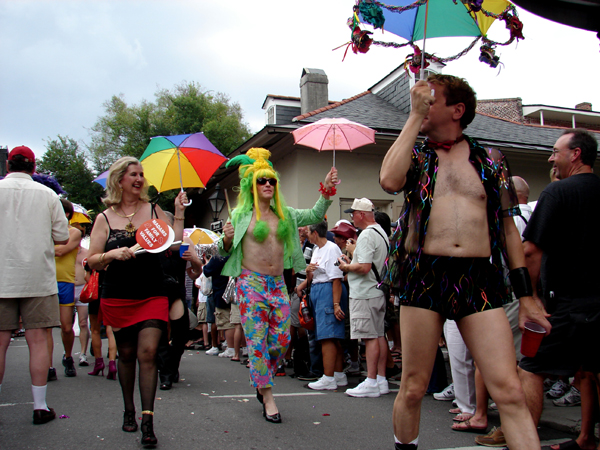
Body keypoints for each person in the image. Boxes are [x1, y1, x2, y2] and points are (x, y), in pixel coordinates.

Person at [379, 74, 549, 450]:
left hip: (478, 277)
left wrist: (526, 297)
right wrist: (413, 115)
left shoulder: (491, 159)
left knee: (509, 390)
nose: (423, 101)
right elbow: (389, 180)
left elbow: (508, 232)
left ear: (457, 110)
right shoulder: (418, 154)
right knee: (412, 387)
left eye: (431, 99)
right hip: (424, 274)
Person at [220, 147, 337, 423]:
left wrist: (327, 190)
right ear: (252, 184)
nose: (268, 184)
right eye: (262, 180)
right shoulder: (238, 216)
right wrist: (225, 239)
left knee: (281, 340)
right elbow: (221, 251)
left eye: (272, 180)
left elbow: (316, 213)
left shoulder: (287, 214)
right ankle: (267, 395)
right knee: (258, 343)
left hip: (277, 285)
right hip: (250, 283)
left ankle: (261, 379)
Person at [87, 156, 188, 446]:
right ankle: (128, 410)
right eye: (133, 174)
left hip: (152, 292)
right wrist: (111, 255)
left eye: (142, 174)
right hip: (118, 295)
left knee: (148, 352)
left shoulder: (154, 210)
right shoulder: (104, 218)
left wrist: (178, 212)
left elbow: (175, 244)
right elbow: (92, 260)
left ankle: (147, 421)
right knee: (127, 355)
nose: (140, 179)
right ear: (120, 180)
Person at [518, 129, 600, 450]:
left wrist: (531, 297)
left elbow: (530, 251)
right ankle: (585, 440)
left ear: (575, 154)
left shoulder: (558, 193)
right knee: (590, 371)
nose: (551, 158)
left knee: (531, 368)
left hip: (563, 304)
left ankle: (526, 443)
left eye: (555, 151)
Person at [0, 146, 69, 424]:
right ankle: (40, 406)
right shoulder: (48, 195)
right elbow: (62, 235)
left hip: (2, 276)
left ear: (8, 165)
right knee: (39, 341)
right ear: (33, 167)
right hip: (38, 277)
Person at [337, 198, 390, 398]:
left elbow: (364, 267)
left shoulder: (367, 234)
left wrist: (346, 266)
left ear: (361, 214)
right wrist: (353, 261)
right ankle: (381, 379)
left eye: (353, 214)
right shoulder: (381, 232)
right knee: (378, 335)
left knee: (369, 337)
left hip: (365, 292)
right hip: (375, 290)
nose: (352, 218)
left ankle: (371, 381)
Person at [303, 221, 348, 390]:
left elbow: (336, 278)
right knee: (329, 334)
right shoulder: (317, 249)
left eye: (308, 231)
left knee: (327, 335)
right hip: (318, 290)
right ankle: (338, 373)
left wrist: (336, 304)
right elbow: (313, 277)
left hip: (328, 291)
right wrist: (308, 272)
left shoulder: (330, 248)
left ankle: (328, 377)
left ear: (315, 233)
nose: (306, 234)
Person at [47, 198, 82, 378]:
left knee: (66, 327)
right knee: (45, 328)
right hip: (45, 281)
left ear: (66, 214)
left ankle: (68, 357)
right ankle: (47, 365)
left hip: (65, 282)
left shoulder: (74, 232)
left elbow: (61, 251)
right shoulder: (44, 231)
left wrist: (39, 247)